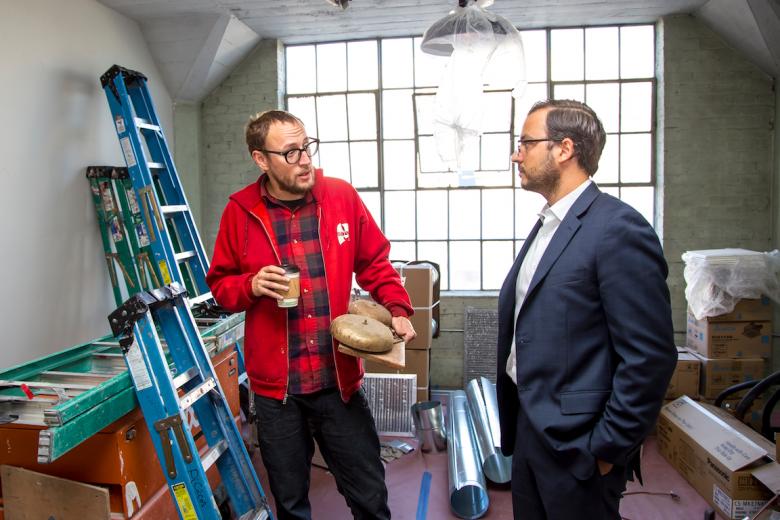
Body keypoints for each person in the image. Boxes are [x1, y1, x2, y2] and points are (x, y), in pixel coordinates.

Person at [206, 110, 416, 520]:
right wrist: (249, 285)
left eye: (307, 147)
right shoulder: (240, 211)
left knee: (370, 495)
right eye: (290, 153)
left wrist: (398, 307)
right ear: (260, 159)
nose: (305, 160)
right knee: (290, 505)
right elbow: (220, 286)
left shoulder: (340, 196)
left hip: (337, 381)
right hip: (277, 394)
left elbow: (374, 261)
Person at [495, 99, 676, 519]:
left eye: (526, 143)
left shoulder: (617, 229)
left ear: (564, 149)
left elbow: (650, 357)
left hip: (579, 444)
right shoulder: (549, 226)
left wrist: (608, 447)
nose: (516, 154)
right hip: (530, 430)